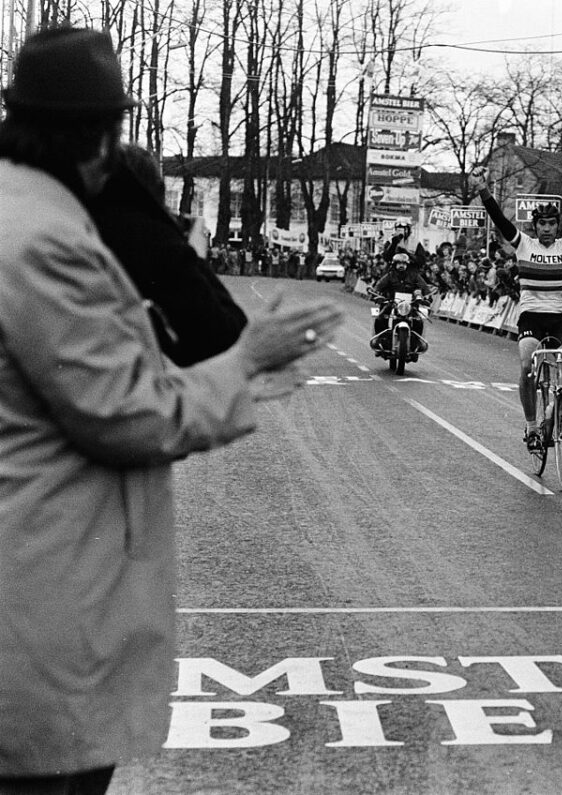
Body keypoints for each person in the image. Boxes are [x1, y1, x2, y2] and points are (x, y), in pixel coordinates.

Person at [0, 27, 343, 794]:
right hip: (41, 582)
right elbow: (128, 415)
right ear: (102, 141)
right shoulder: (47, 240)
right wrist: (243, 362)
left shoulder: (18, 211)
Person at [469, 164, 562, 450]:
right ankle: (530, 425)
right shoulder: (524, 244)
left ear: (557, 226)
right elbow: (499, 218)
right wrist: (482, 189)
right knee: (527, 365)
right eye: (542, 224)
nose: (548, 229)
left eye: (552, 224)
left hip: (559, 318)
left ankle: (558, 408)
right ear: (535, 226)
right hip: (531, 317)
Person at [88, 144, 247, 367]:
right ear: (157, 190)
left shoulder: (84, 228)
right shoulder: (154, 241)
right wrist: (195, 258)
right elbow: (223, 334)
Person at [371, 251, 430, 353]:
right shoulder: (389, 275)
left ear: (407, 264)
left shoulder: (414, 276)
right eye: (399, 263)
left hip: (410, 305)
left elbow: (424, 287)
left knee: (418, 320)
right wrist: (375, 294)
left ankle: (417, 342)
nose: (401, 266)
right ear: (394, 264)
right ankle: (380, 340)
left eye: (403, 263)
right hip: (391, 303)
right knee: (380, 318)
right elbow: (378, 286)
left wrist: (427, 297)